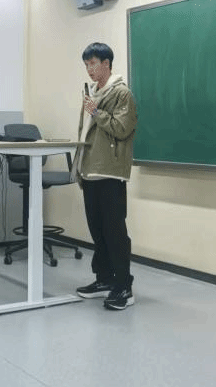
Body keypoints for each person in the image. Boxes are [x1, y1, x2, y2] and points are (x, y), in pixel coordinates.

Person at [73, 42, 138, 310]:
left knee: (114, 232)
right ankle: (104, 279)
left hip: (109, 171)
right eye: (86, 64)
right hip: (90, 168)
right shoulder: (92, 93)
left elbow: (122, 128)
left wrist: (96, 112)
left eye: (93, 63)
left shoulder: (122, 93)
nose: (89, 69)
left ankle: (123, 287)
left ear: (107, 64)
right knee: (97, 230)